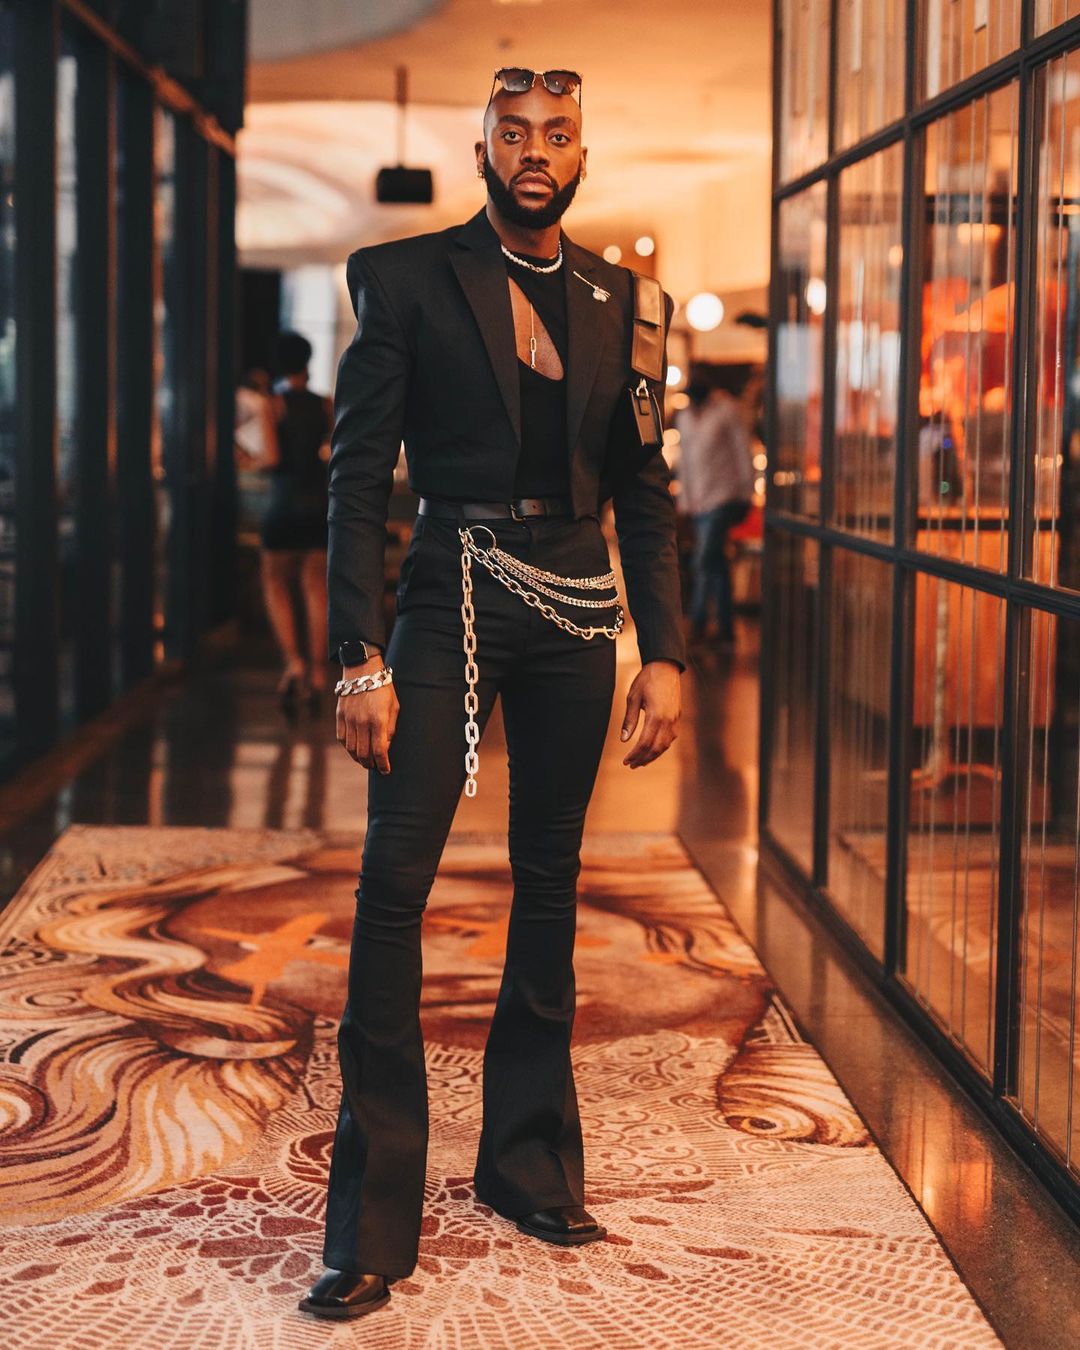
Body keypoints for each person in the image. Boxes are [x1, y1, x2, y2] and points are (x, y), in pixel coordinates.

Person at [299, 66, 685, 1322]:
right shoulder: (405, 277)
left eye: (556, 135)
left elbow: (646, 489)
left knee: (550, 881)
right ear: (482, 153)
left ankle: (527, 1166)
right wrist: (357, 654)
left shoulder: (628, 303)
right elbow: (358, 474)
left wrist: (666, 651)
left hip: (576, 607)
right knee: (394, 886)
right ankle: (370, 1225)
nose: (535, 152)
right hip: (446, 586)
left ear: (580, 157)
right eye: (513, 133)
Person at [257, 331, 333, 712]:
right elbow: (333, 452)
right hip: (318, 505)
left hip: (283, 506)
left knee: (276, 582)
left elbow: (271, 458)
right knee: (316, 587)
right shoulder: (325, 405)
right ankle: (319, 673)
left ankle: (294, 663)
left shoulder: (271, 405)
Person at [674, 374, 754, 646]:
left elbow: (742, 452)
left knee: (703, 559)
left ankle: (697, 623)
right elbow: (685, 461)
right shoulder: (684, 416)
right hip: (698, 501)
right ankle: (725, 627)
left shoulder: (726, 410)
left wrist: (746, 492)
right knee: (716, 563)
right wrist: (685, 500)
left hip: (723, 495)